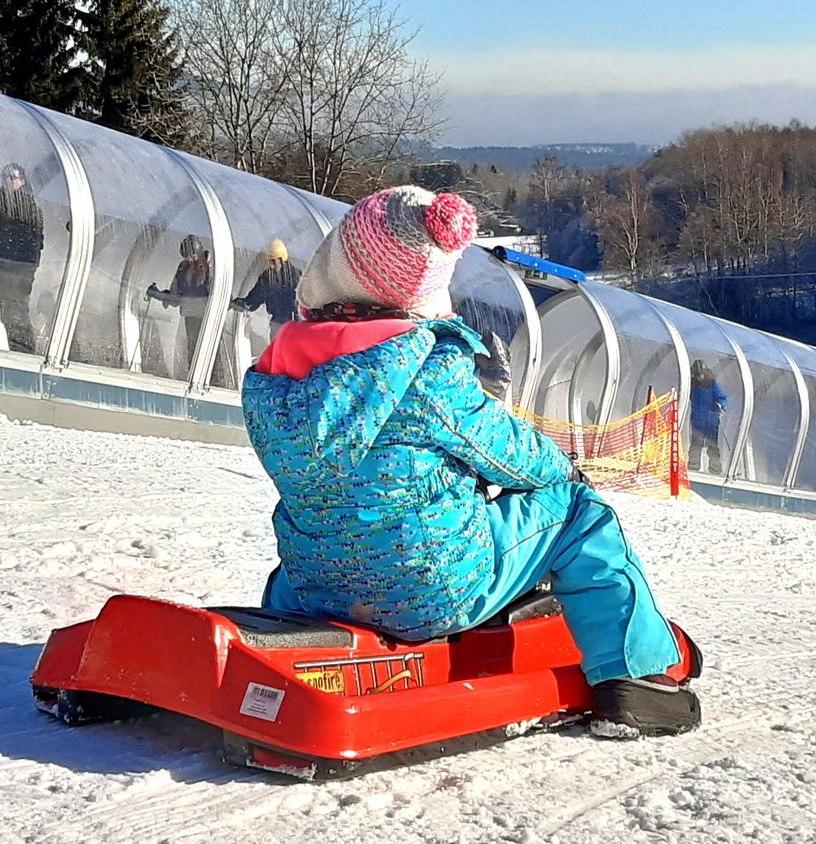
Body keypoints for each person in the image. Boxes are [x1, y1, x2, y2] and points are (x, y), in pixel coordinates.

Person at [241, 186, 701, 738]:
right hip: (431, 588)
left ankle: (273, 643)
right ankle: (636, 677)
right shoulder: (425, 368)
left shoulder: (277, 376)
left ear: (335, 265)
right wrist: (563, 469)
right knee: (579, 512)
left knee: (322, 526)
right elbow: (507, 450)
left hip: (315, 587)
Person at [0, 163, 45, 353]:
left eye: (13, 178)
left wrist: (28, 269)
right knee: (6, 312)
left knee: (18, 312)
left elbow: (36, 241)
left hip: (19, 269)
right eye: (6, 177)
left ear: (22, 181)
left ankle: (25, 352)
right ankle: (15, 348)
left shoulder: (29, 205)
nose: (9, 181)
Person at [146, 234, 212, 374]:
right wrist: (159, 294)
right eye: (186, 256)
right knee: (193, 350)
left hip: (209, 318)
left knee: (210, 352)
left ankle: (213, 381)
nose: (189, 259)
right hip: (190, 316)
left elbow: (216, 291)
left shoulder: (208, 267)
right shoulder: (183, 268)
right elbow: (175, 296)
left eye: (192, 255)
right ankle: (193, 375)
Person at [230, 238, 301, 335]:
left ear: (280, 260)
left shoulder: (297, 277)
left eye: (273, 262)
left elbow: (304, 305)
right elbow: (252, 301)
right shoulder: (267, 279)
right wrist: (234, 303)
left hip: (295, 327)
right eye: (270, 262)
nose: (271, 266)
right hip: (278, 326)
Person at [688, 360, 728, 474]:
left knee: (712, 446)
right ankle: (693, 466)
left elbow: (723, 397)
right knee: (696, 444)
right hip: (698, 421)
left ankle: (715, 468)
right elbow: (688, 394)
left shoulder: (712, 384)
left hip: (711, 421)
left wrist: (720, 405)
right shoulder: (693, 384)